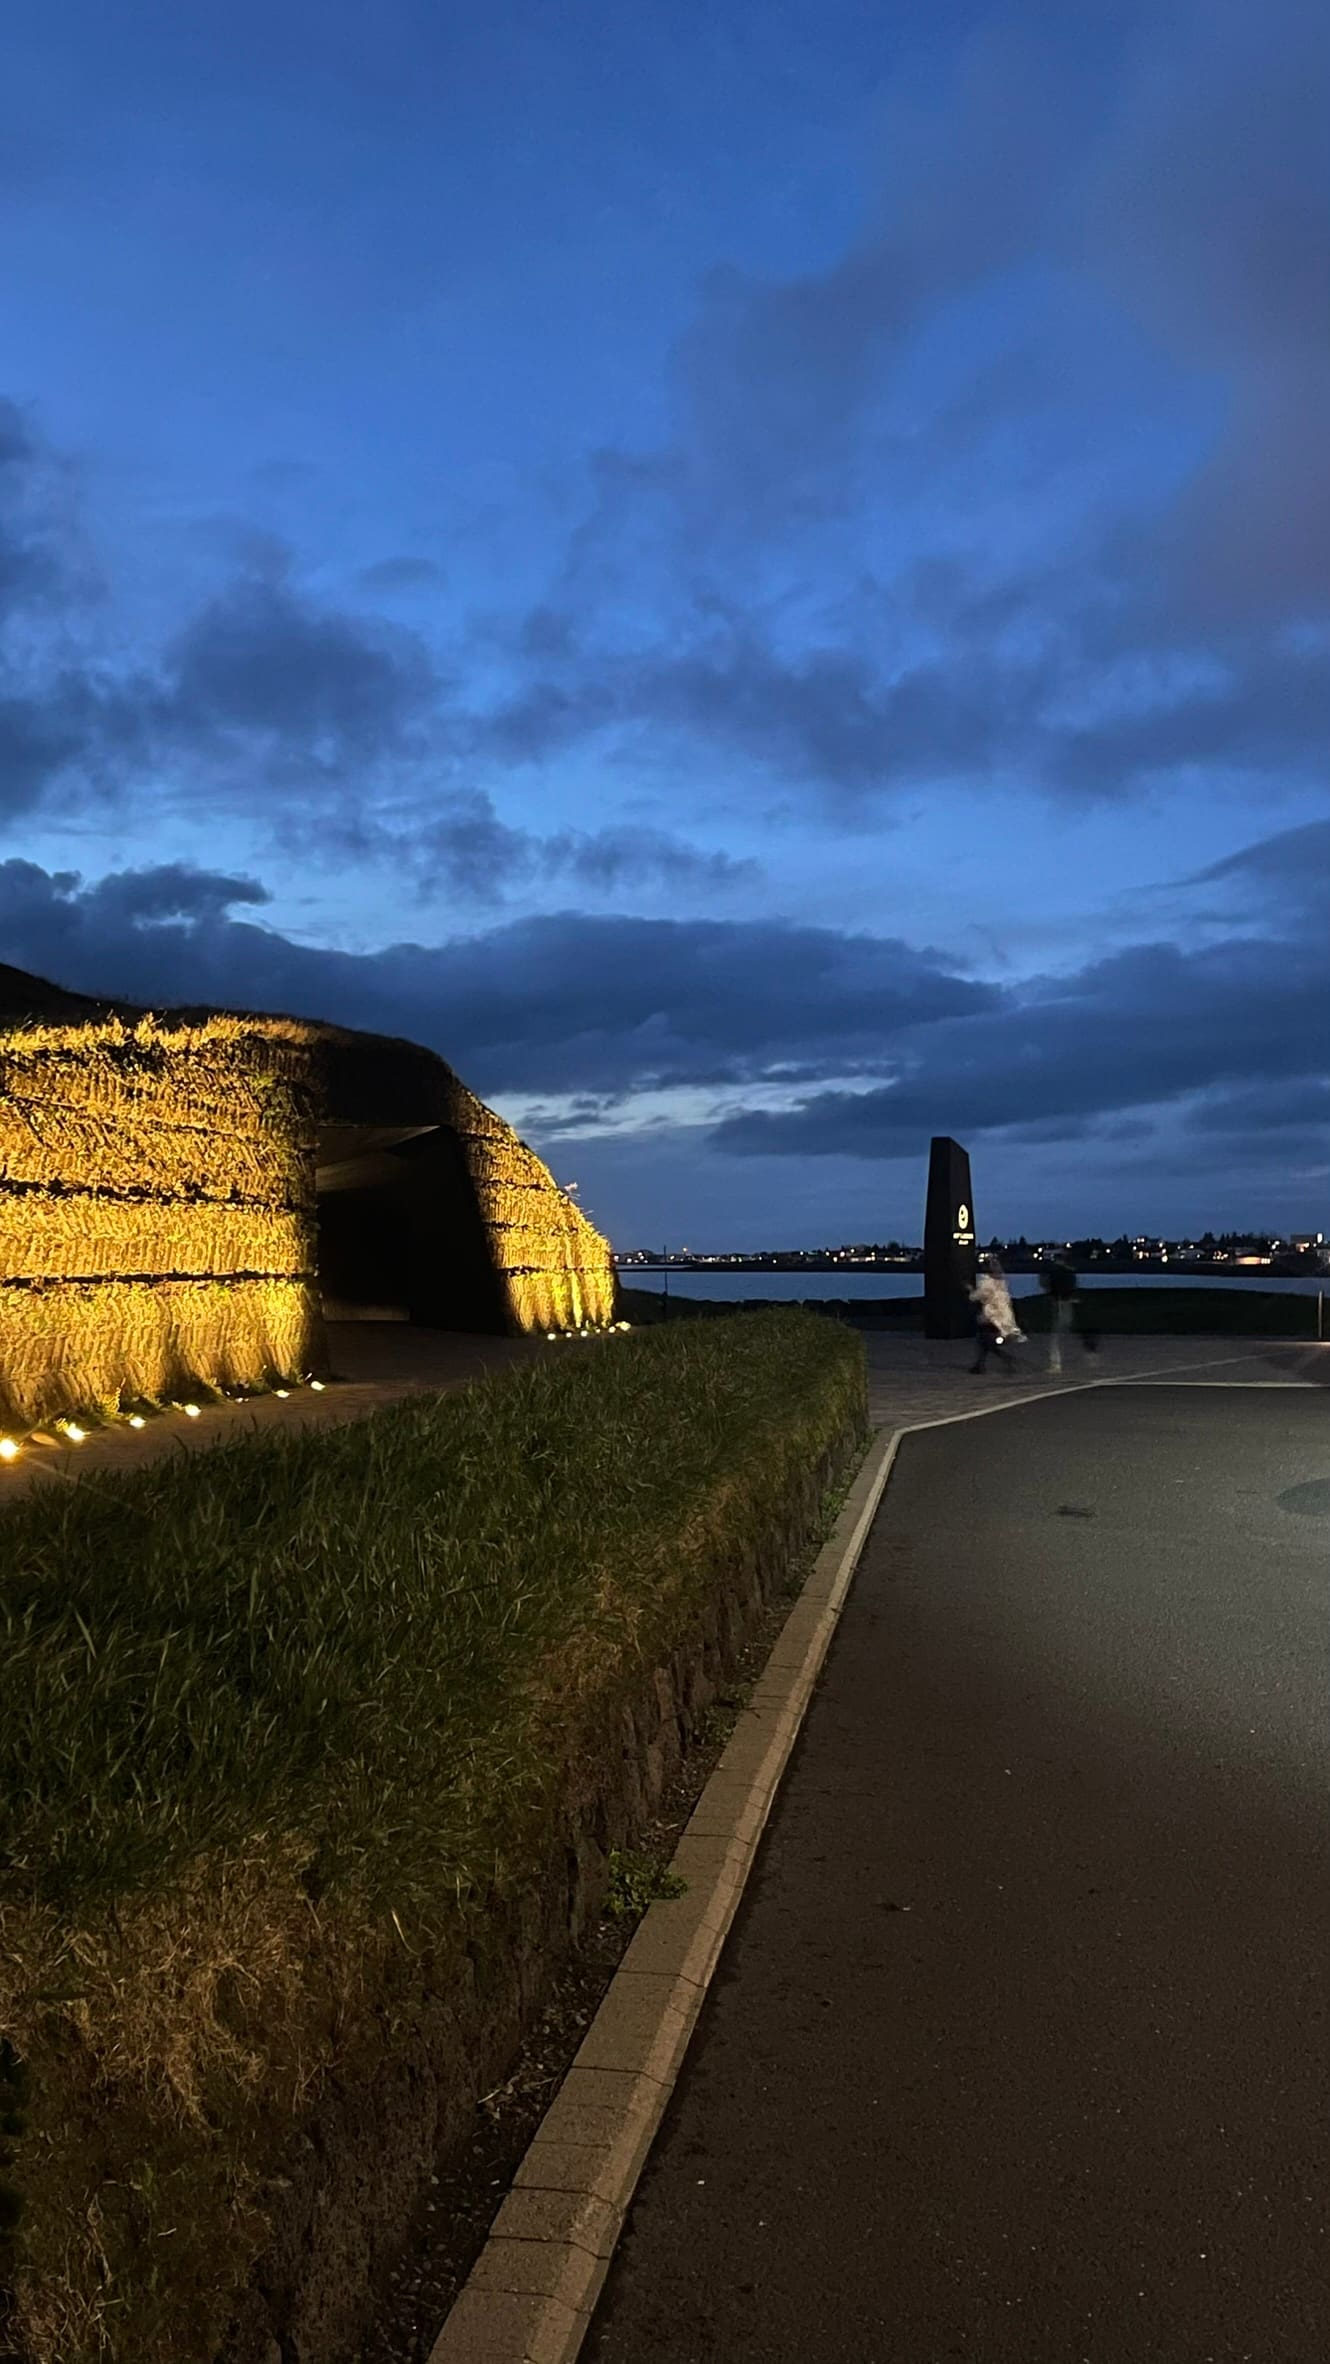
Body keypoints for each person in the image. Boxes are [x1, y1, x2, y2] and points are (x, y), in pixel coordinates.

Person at [1042, 1253, 1099, 1373]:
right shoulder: (1070, 1272)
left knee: (1057, 1336)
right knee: (1078, 1331)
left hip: (1061, 1303)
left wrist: (1051, 1293)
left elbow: (1052, 1288)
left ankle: (1056, 1364)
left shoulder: (1057, 1272)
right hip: (1071, 1302)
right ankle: (1091, 1355)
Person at [969, 1254, 1024, 1375]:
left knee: (984, 1341)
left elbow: (976, 1296)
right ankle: (980, 1365)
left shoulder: (987, 1283)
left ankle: (1000, 1360)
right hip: (1003, 1316)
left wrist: (971, 1291)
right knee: (985, 1341)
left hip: (990, 1317)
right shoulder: (1002, 1282)